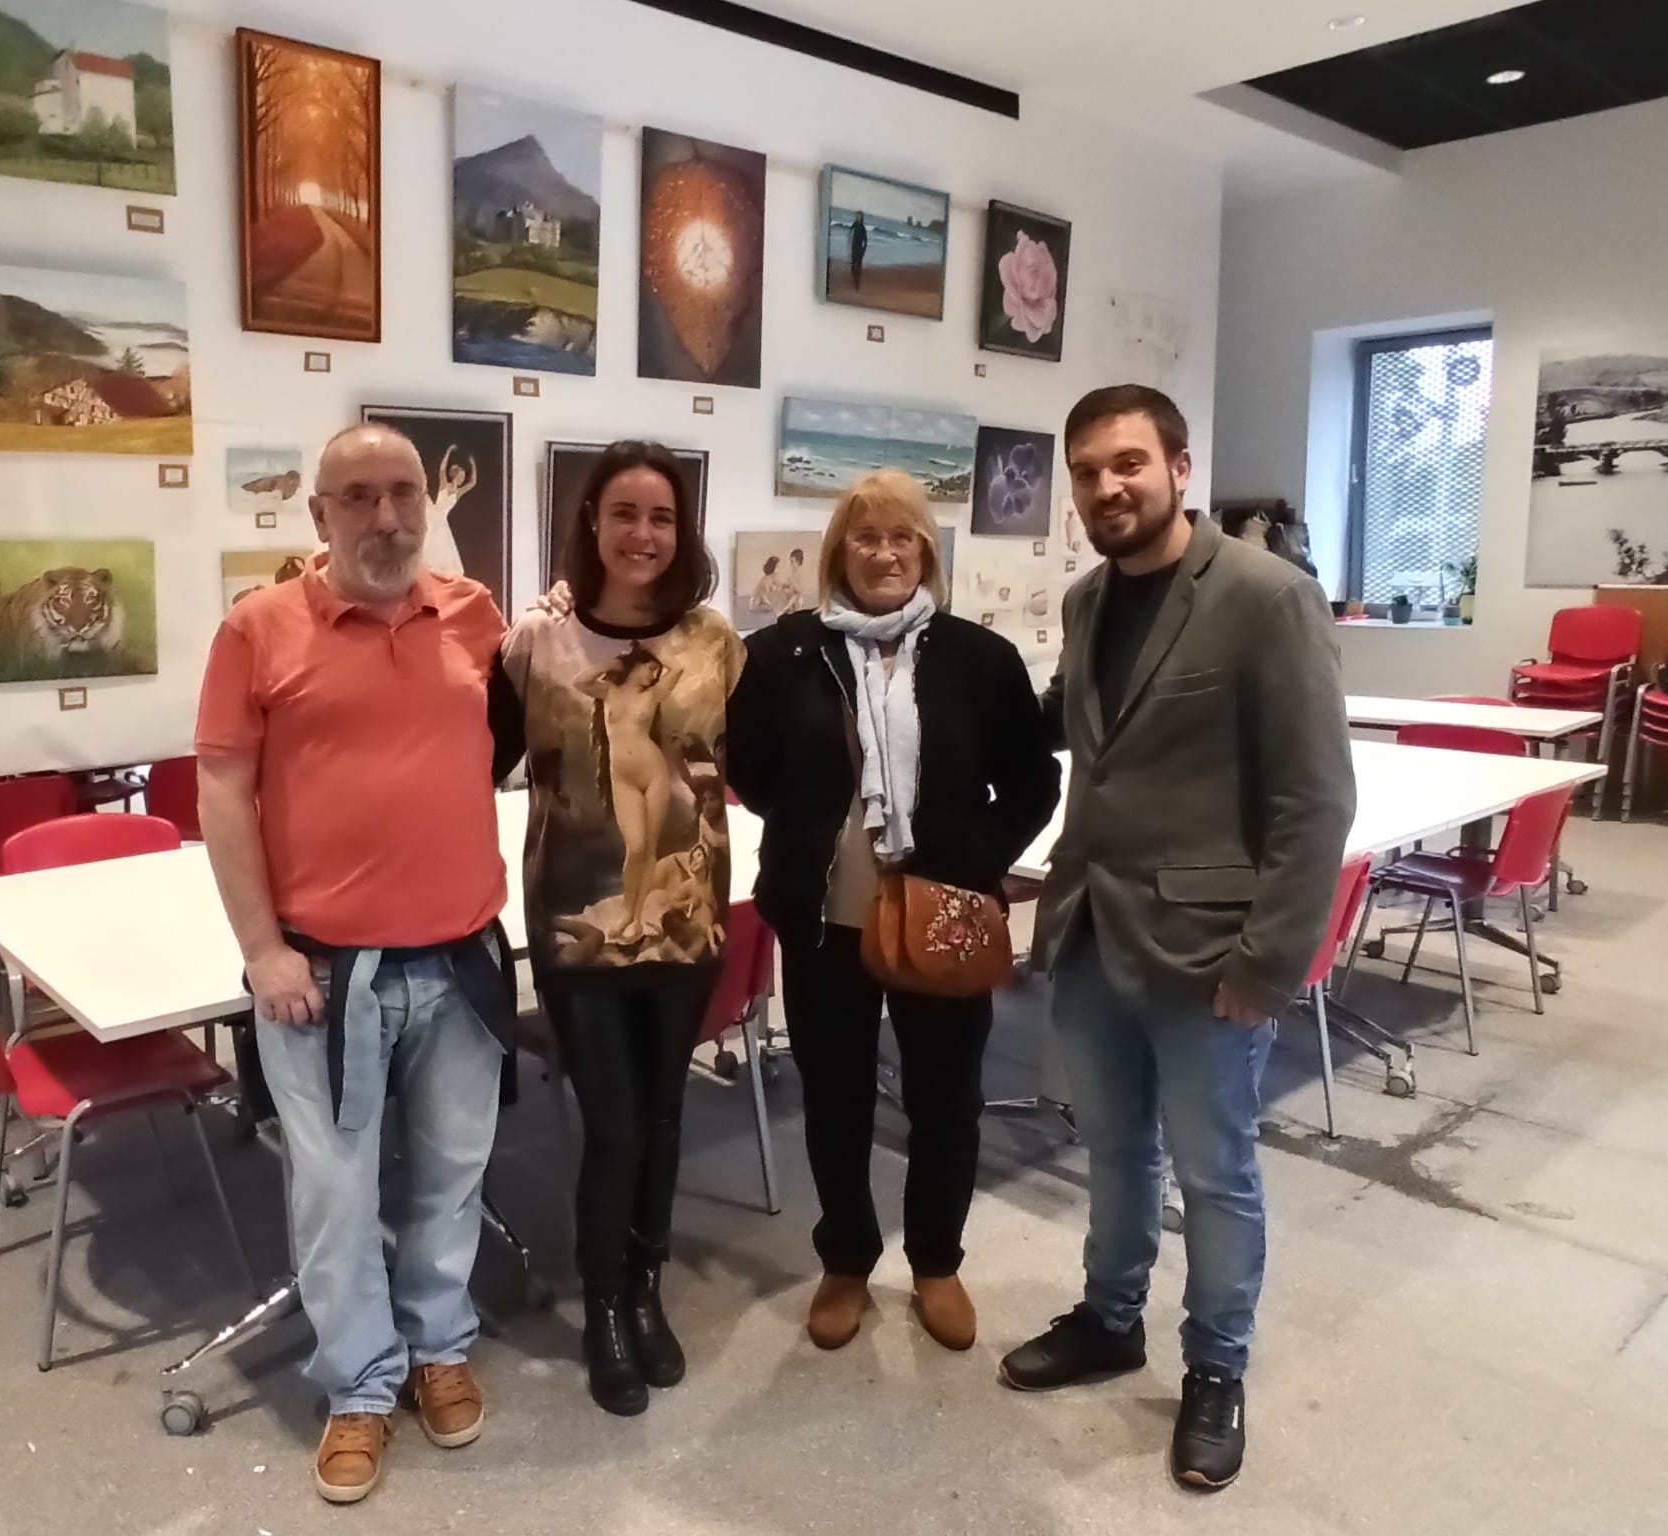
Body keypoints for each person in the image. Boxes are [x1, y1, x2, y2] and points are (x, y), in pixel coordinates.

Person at [997, 386, 1355, 1493]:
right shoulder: (1084, 600)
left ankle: (1214, 1369)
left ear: (1177, 468)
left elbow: (1313, 800)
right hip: (1093, 929)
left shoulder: (1265, 598)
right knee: (1110, 1149)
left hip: (1210, 952)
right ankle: (1110, 1318)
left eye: (1127, 465)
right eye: (1088, 473)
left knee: (1213, 1172)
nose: (1108, 487)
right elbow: (1071, 724)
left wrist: (1268, 960)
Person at [195, 424, 525, 1505]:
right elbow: (222, 796)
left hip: (462, 956)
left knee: (452, 1174)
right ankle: (361, 1386)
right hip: (323, 978)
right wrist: (261, 951)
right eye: (359, 497)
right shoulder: (257, 629)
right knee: (335, 1196)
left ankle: (438, 1344)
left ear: (427, 501)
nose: (385, 517)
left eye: (403, 493)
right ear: (319, 515)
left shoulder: (472, 616)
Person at [726, 468, 1056, 1355]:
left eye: (901, 537)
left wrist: (974, 858)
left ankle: (937, 1262)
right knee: (832, 1097)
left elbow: (1034, 781)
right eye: (866, 538)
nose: (883, 553)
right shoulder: (781, 652)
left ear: (925, 552)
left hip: (943, 912)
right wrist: (809, 831)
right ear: (839, 552)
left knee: (948, 1097)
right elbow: (751, 769)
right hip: (824, 919)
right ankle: (845, 1260)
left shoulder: (977, 658)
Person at [497, 441, 743, 1416]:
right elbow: (466, 761)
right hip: (576, 919)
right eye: (624, 514)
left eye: (661, 517)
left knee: (668, 1112)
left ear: (679, 532)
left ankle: (645, 1287)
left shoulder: (714, 642)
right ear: (590, 522)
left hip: (687, 912)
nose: (642, 535)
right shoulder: (536, 645)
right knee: (613, 1122)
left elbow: (767, 758)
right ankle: (602, 1303)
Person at [423, 444, 478, 576]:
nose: (462, 479)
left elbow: (472, 483)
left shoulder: (457, 492)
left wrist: (472, 463)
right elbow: (442, 469)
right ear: (456, 476)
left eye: (463, 478)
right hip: (433, 515)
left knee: (441, 551)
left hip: (442, 520)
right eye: (461, 477)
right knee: (429, 546)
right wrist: (448, 451)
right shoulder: (444, 486)